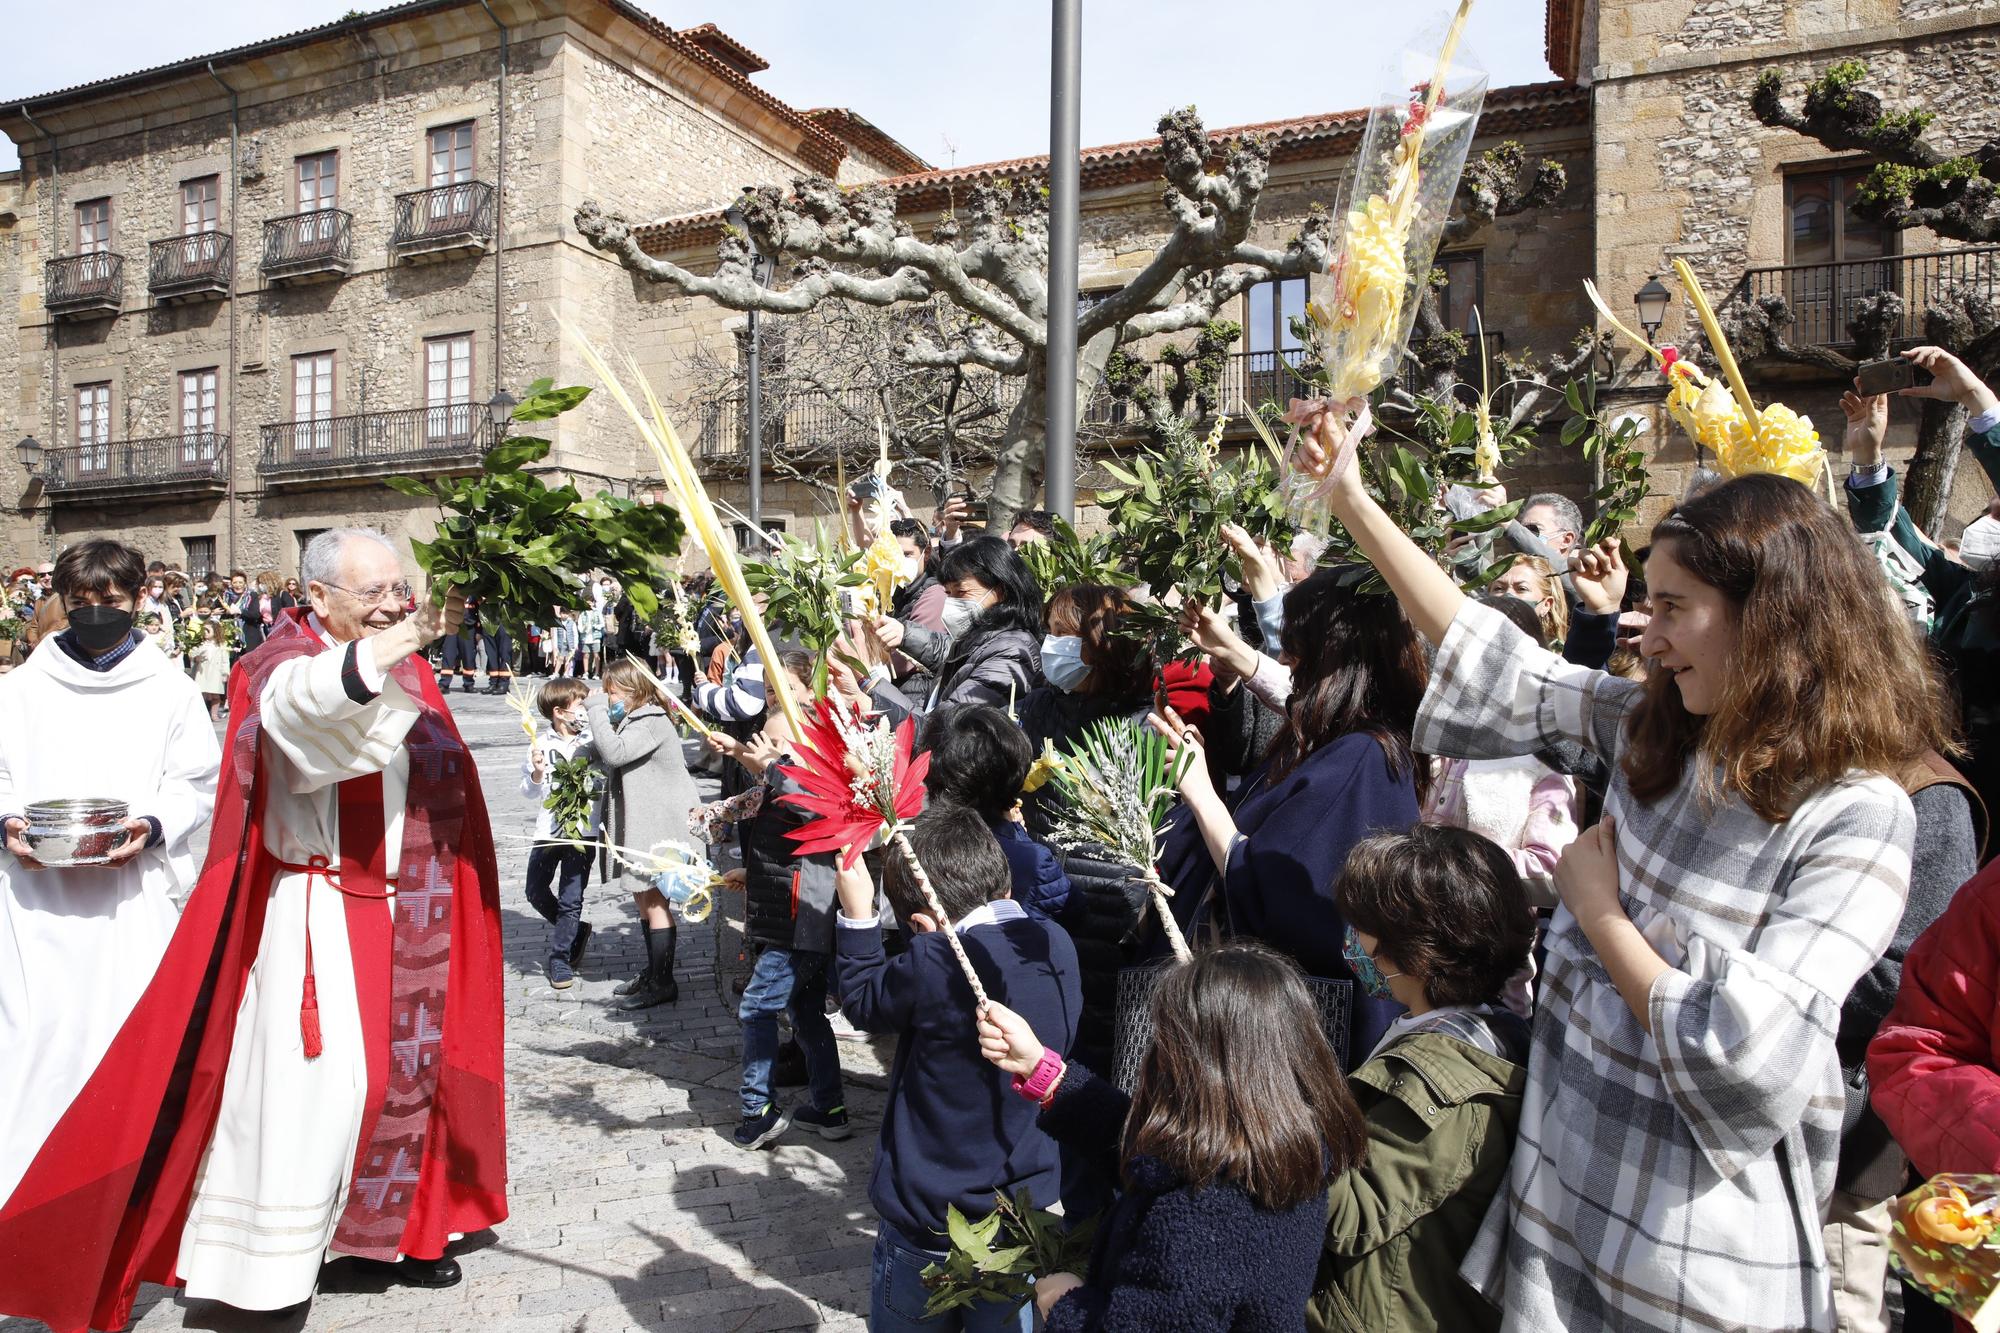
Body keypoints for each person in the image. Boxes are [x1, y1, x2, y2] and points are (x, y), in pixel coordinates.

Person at [1301, 406, 1943, 1329]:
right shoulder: (1660, 737)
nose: (1647, 634)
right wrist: (1353, 497)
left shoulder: (1856, 816)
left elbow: (1748, 1065)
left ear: (1771, 617)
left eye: (1675, 608)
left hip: (1697, 1276)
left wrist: (1599, 914)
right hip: (1559, 1234)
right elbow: (1497, 661)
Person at [0, 528, 506, 1327]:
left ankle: (382, 1236)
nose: (388, 606)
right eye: (370, 594)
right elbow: (308, 725)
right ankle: (260, 1270)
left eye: (396, 592)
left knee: (396, 1087)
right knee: (312, 1101)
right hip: (314, 913)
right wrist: (403, 638)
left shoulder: (402, 666)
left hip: (405, 919)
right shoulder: (276, 664)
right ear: (318, 599)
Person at [976, 942, 1367, 1332]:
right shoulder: (1286, 1147)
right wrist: (1045, 1074)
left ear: (1196, 1066)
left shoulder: (1197, 1219)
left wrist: (1067, 1303)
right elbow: (1150, 1155)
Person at [0, 539, 220, 1211]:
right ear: (63, 603)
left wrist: (151, 825)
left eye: (112, 602)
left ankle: (112, 1202)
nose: (97, 613)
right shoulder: (21, 689)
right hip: (35, 900)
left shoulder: (170, 689)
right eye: (83, 603)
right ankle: (22, 1202)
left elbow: (196, 783)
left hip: (131, 900)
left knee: (122, 1051)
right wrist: (7, 822)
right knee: (33, 1048)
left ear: (138, 600)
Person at [1154, 564, 1429, 1066]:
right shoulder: (1341, 740)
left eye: (1294, 646)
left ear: (1329, 655)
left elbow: (1269, 888)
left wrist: (1200, 791)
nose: (1283, 660)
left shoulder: (1359, 760)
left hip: (1294, 1039)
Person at [833, 804, 1081, 1333]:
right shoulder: (1056, 942)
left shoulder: (934, 961)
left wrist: (857, 917)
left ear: (922, 926)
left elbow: (862, 1000)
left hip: (929, 1218)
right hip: (1024, 1209)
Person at [1308, 825, 1534, 1333]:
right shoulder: (1479, 1031)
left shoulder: (1446, 1076)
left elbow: (1346, 1212)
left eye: (1363, 925)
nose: (1353, 939)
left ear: (1421, 950)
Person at [1841, 344, 2000, 848]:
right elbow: (1893, 543)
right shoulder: (1974, 598)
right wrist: (1867, 457)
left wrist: (1978, 401)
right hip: (1949, 813)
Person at [696, 651, 849, 1152]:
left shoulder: (811, 773)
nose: (770, 751)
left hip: (800, 919)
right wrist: (750, 872)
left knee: (757, 1009)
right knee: (806, 1014)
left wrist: (769, 763)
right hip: (784, 909)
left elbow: (812, 815)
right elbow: (777, 841)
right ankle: (830, 1106)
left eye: (779, 745)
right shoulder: (780, 774)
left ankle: (757, 1109)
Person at [589, 656, 697, 1009]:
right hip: (644, 821)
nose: (607, 698)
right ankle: (653, 972)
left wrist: (594, 712)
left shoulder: (650, 719)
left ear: (634, 690)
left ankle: (663, 981)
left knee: (654, 900)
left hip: (659, 825)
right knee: (642, 898)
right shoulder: (636, 717)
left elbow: (616, 752)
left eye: (612, 691)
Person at [1016, 584, 1157, 835]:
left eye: (1062, 633)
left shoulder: (1142, 728)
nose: (1050, 644)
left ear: (1102, 643)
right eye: (1049, 631)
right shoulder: (1038, 706)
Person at [862, 534, 1043, 726]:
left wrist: (871, 686)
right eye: (948, 593)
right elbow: (949, 651)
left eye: (961, 592)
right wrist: (905, 634)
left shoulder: (1011, 655)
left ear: (1001, 591)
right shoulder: (979, 638)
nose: (952, 602)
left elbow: (941, 729)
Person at [922, 703, 1073, 920]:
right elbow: (1073, 910)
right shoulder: (1031, 859)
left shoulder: (912, 844)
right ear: (1015, 774)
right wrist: (1018, 834)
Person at [520, 677, 600, 989]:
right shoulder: (539, 744)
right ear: (559, 712)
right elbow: (527, 791)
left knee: (571, 898)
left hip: (583, 831)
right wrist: (538, 772)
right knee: (535, 890)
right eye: (580, 706)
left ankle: (560, 957)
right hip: (549, 831)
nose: (584, 713)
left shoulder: (592, 741)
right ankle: (576, 931)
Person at [1488, 553, 1570, 649]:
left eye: (1522, 588)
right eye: (1498, 588)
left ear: (1546, 605)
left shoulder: (1555, 658)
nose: (1508, 595)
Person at [191, 605, 231, 720]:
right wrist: (195, 658)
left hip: (215, 672)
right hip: (202, 672)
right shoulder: (201, 645)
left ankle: (214, 713)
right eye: (204, 630)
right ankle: (202, 714)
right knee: (202, 694)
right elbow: (193, 654)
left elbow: (225, 660)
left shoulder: (221, 645)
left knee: (215, 694)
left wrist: (225, 673)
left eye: (208, 631)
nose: (205, 633)